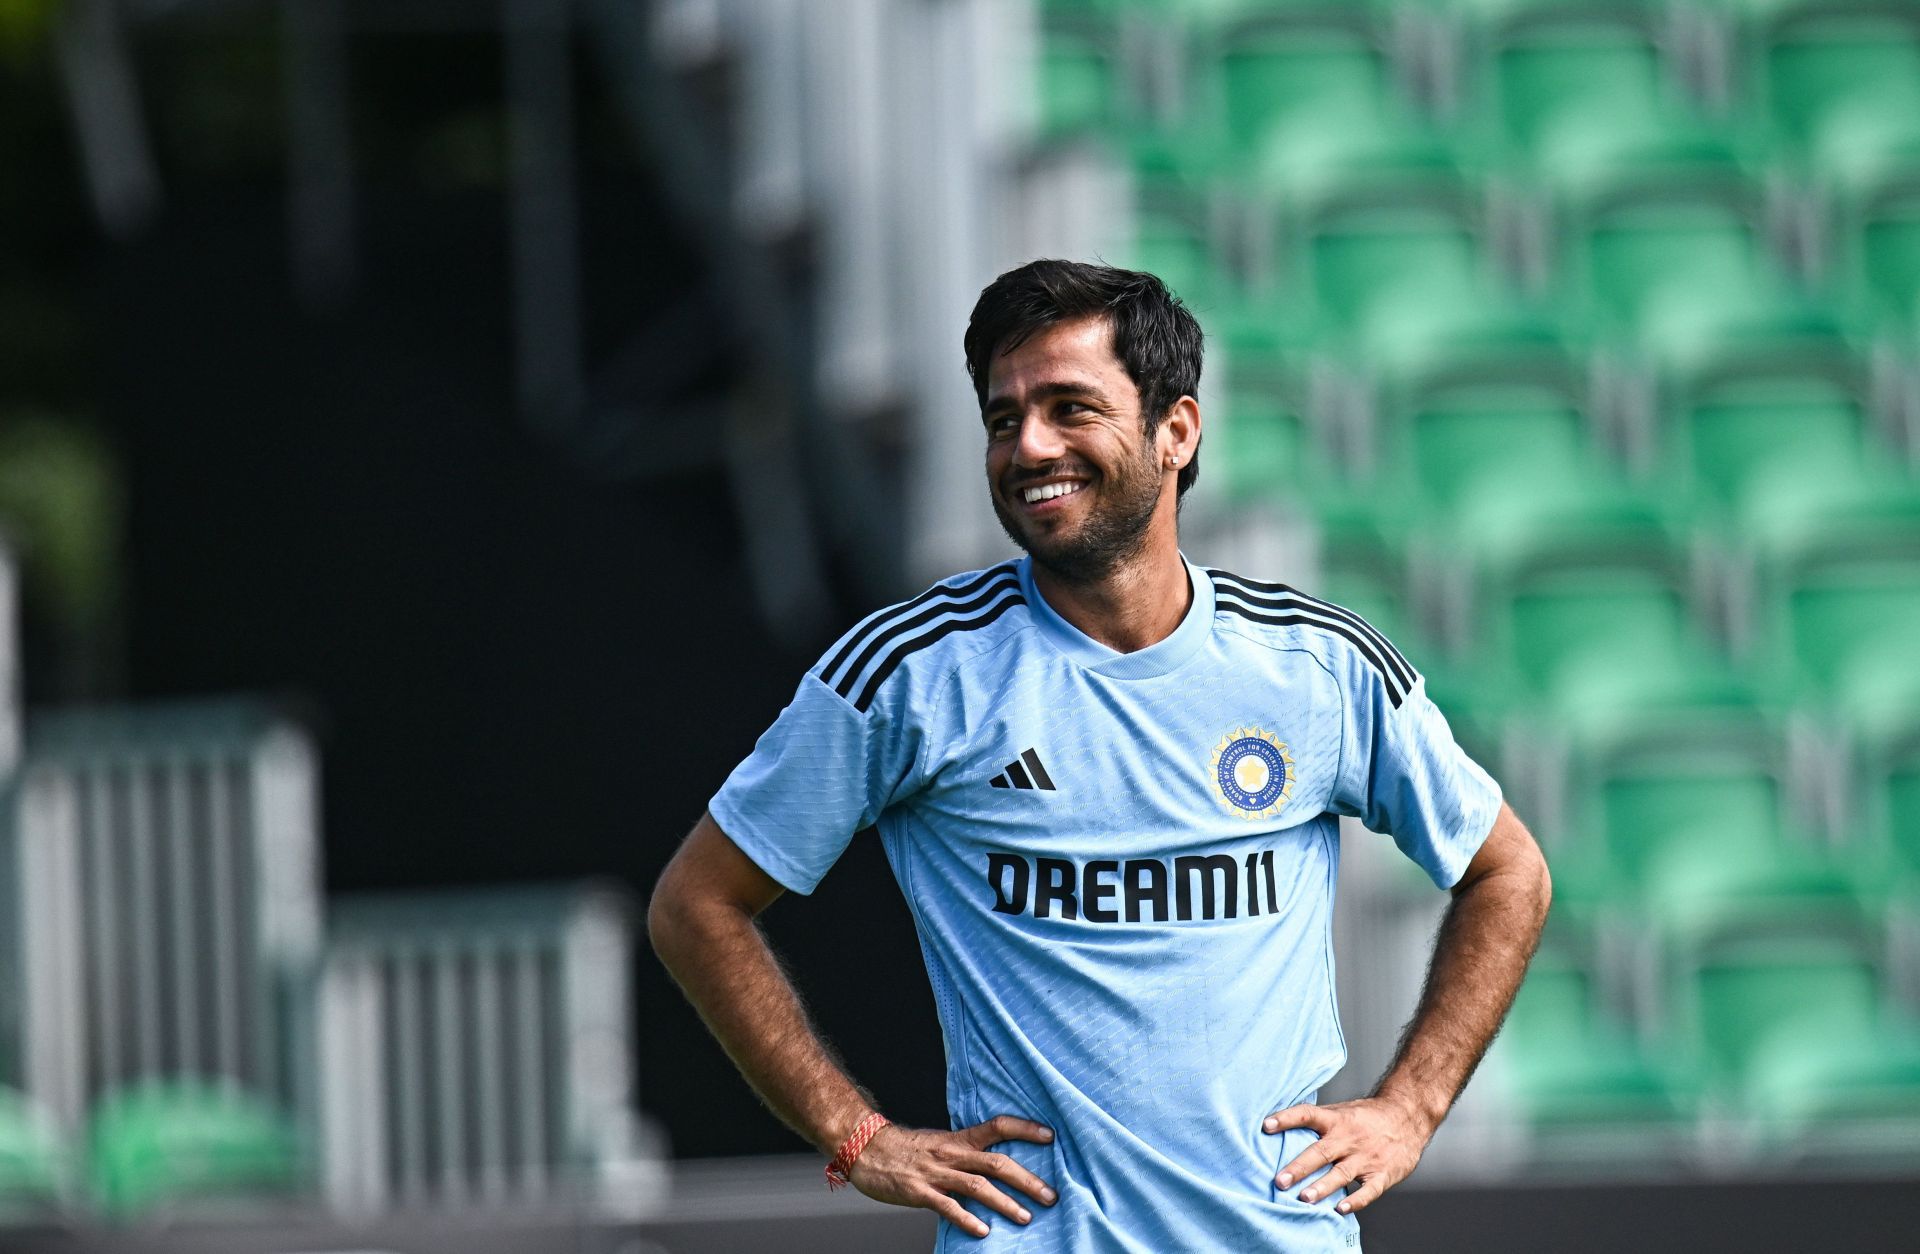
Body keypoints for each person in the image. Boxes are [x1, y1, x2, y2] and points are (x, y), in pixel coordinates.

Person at [648, 259, 1553, 1251]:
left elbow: (1508, 870)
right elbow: (698, 903)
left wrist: (1411, 1108)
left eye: (1070, 408)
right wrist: (857, 1137)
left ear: (1176, 431)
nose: (1030, 445)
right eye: (1004, 419)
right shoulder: (912, 673)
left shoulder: (1316, 666)